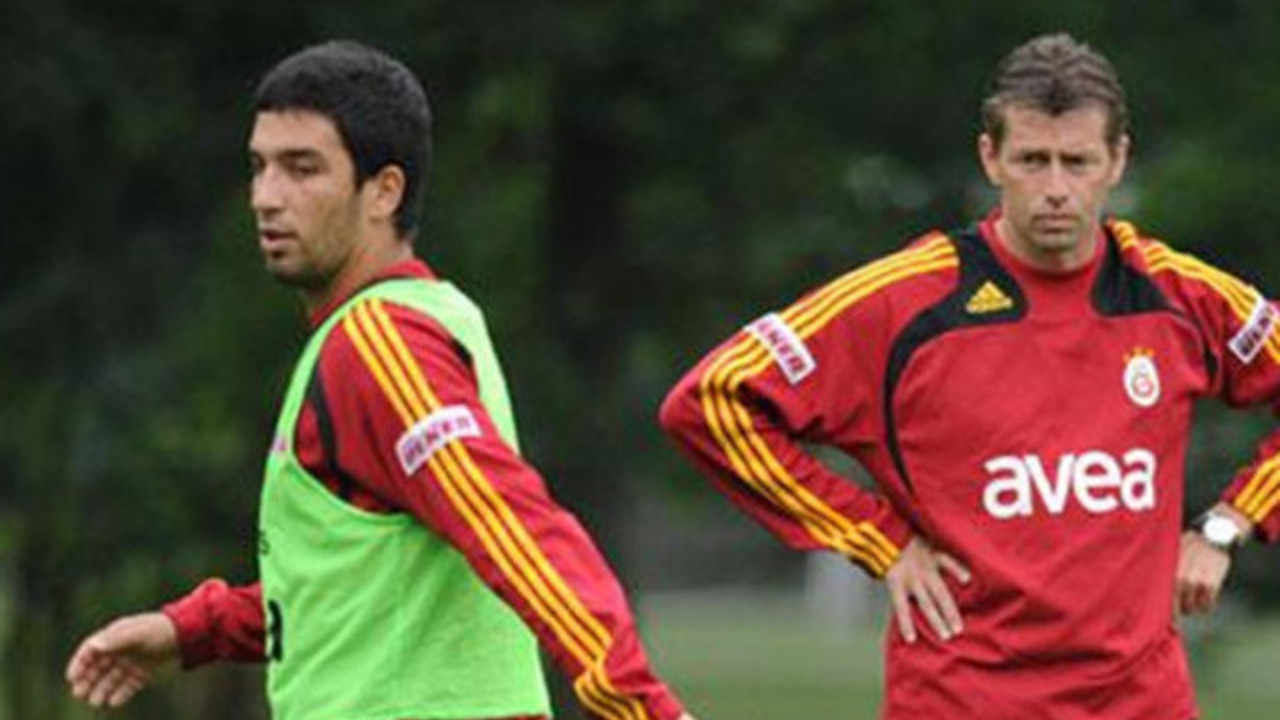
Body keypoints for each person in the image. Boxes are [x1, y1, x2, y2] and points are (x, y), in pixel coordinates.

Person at [66, 40, 694, 720]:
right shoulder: (414, 320)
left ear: (384, 191)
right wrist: (196, 629)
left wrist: (644, 710)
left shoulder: (380, 344)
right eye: (259, 166)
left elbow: (511, 524)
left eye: (302, 168)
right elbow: (357, 589)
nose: (267, 197)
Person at [659, 32, 1279, 720]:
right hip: (962, 699)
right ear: (990, 158)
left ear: (1117, 161)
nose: (1055, 189)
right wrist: (877, 539)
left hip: (1142, 703)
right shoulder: (904, 304)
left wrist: (1229, 524)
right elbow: (712, 401)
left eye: (1077, 162)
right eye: (1031, 160)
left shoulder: (1177, 296)